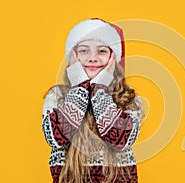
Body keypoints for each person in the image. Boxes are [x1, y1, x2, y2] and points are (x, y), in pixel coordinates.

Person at [42, 18, 143, 183]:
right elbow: (56, 136)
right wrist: (80, 88)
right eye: (83, 51)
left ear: (113, 58)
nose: (93, 58)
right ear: (73, 57)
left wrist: (99, 90)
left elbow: (119, 139)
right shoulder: (57, 96)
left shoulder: (129, 99)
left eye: (102, 51)